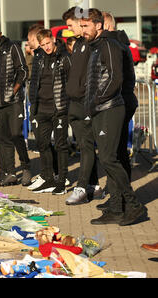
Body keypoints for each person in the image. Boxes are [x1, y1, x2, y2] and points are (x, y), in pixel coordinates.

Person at [81, 8, 146, 226]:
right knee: (109, 157)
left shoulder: (108, 44)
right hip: (100, 108)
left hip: (110, 107)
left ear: (99, 26)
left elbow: (115, 79)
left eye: (85, 26)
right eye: (81, 26)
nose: (82, 31)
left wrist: (97, 101)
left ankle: (133, 205)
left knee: (110, 158)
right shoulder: (96, 46)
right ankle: (116, 208)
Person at [94, 12, 140, 213]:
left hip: (121, 102)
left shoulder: (116, 44)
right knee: (116, 153)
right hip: (119, 101)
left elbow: (116, 78)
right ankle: (116, 197)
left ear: (105, 26)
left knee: (116, 155)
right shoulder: (115, 43)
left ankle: (122, 199)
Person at [62, 7, 104, 206]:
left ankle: (81, 187)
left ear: (81, 22)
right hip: (74, 103)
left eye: (71, 25)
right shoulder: (77, 44)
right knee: (83, 146)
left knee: (87, 147)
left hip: (86, 104)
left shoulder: (92, 44)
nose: (69, 30)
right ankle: (94, 186)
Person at [0, 20, 31, 187]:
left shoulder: (12, 47)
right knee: (2, 139)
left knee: (16, 134)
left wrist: (14, 90)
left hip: (14, 102)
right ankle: (9, 172)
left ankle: (26, 167)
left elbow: (23, 71)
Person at [28, 29, 72, 195]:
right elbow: (34, 82)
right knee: (42, 144)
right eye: (43, 44)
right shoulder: (38, 57)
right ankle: (48, 178)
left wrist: (67, 104)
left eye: (48, 43)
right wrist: (33, 103)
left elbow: (71, 82)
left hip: (59, 109)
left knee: (61, 146)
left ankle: (61, 180)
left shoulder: (64, 57)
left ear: (53, 40)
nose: (46, 47)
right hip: (41, 109)